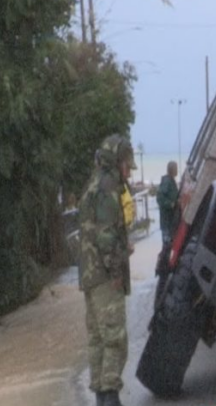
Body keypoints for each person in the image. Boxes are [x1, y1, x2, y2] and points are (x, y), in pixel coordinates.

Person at [79, 134, 135, 406]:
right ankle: (110, 398)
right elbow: (105, 237)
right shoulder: (108, 186)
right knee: (114, 338)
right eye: (126, 163)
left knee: (98, 339)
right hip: (104, 275)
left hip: (90, 275)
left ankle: (102, 396)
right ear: (117, 160)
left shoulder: (93, 182)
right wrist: (116, 271)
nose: (129, 170)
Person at [156, 161, 180, 246]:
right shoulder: (167, 181)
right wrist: (171, 204)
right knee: (167, 244)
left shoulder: (172, 181)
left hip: (171, 220)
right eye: (176, 168)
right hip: (167, 221)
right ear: (172, 169)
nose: (177, 170)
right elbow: (160, 198)